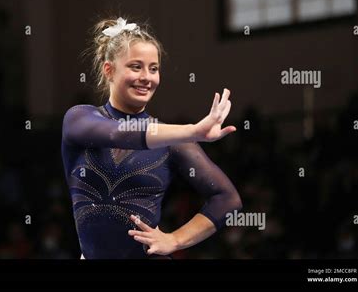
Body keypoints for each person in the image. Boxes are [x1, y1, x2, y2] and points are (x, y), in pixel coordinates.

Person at [62, 17, 242, 259]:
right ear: (109, 70)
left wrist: (176, 239)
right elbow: (118, 132)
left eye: (154, 68)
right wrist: (193, 130)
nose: (147, 77)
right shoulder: (79, 119)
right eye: (136, 67)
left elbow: (228, 199)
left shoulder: (173, 140)